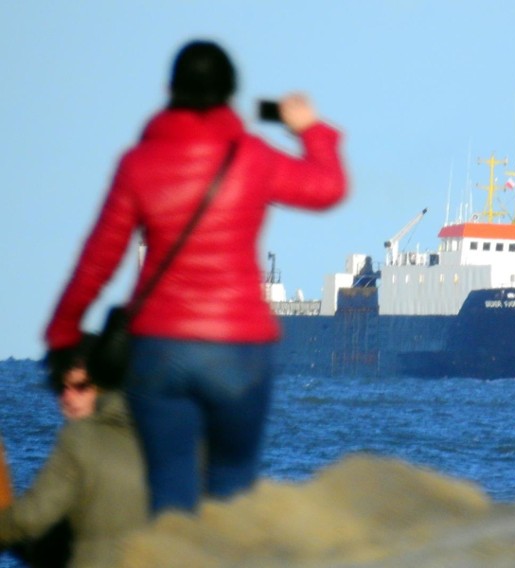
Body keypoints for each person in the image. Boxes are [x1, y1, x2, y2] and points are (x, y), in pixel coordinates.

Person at [43, 39, 348, 516]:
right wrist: (310, 129)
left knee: (169, 490)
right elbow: (328, 188)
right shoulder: (253, 156)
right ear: (230, 94)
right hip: (238, 348)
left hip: (160, 349)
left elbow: (96, 263)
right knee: (232, 491)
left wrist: (62, 336)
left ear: (169, 89)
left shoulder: (139, 164)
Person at [0, 338, 148, 568]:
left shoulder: (81, 442)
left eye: (81, 387)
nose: (67, 399)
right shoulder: (158, 435)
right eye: (62, 388)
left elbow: (29, 523)